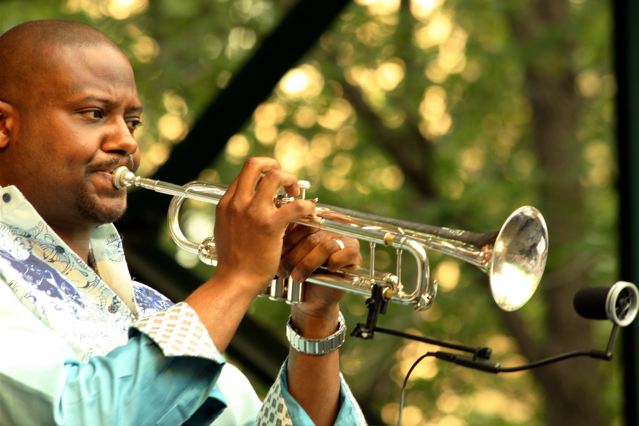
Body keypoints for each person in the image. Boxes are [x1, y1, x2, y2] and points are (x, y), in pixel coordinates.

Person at [0, 19, 366, 425]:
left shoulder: (158, 312)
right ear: (3, 126)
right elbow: (84, 415)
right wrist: (237, 277)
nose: (127, 142)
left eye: (132, 122)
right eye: (94, 113)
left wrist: (314, 323)